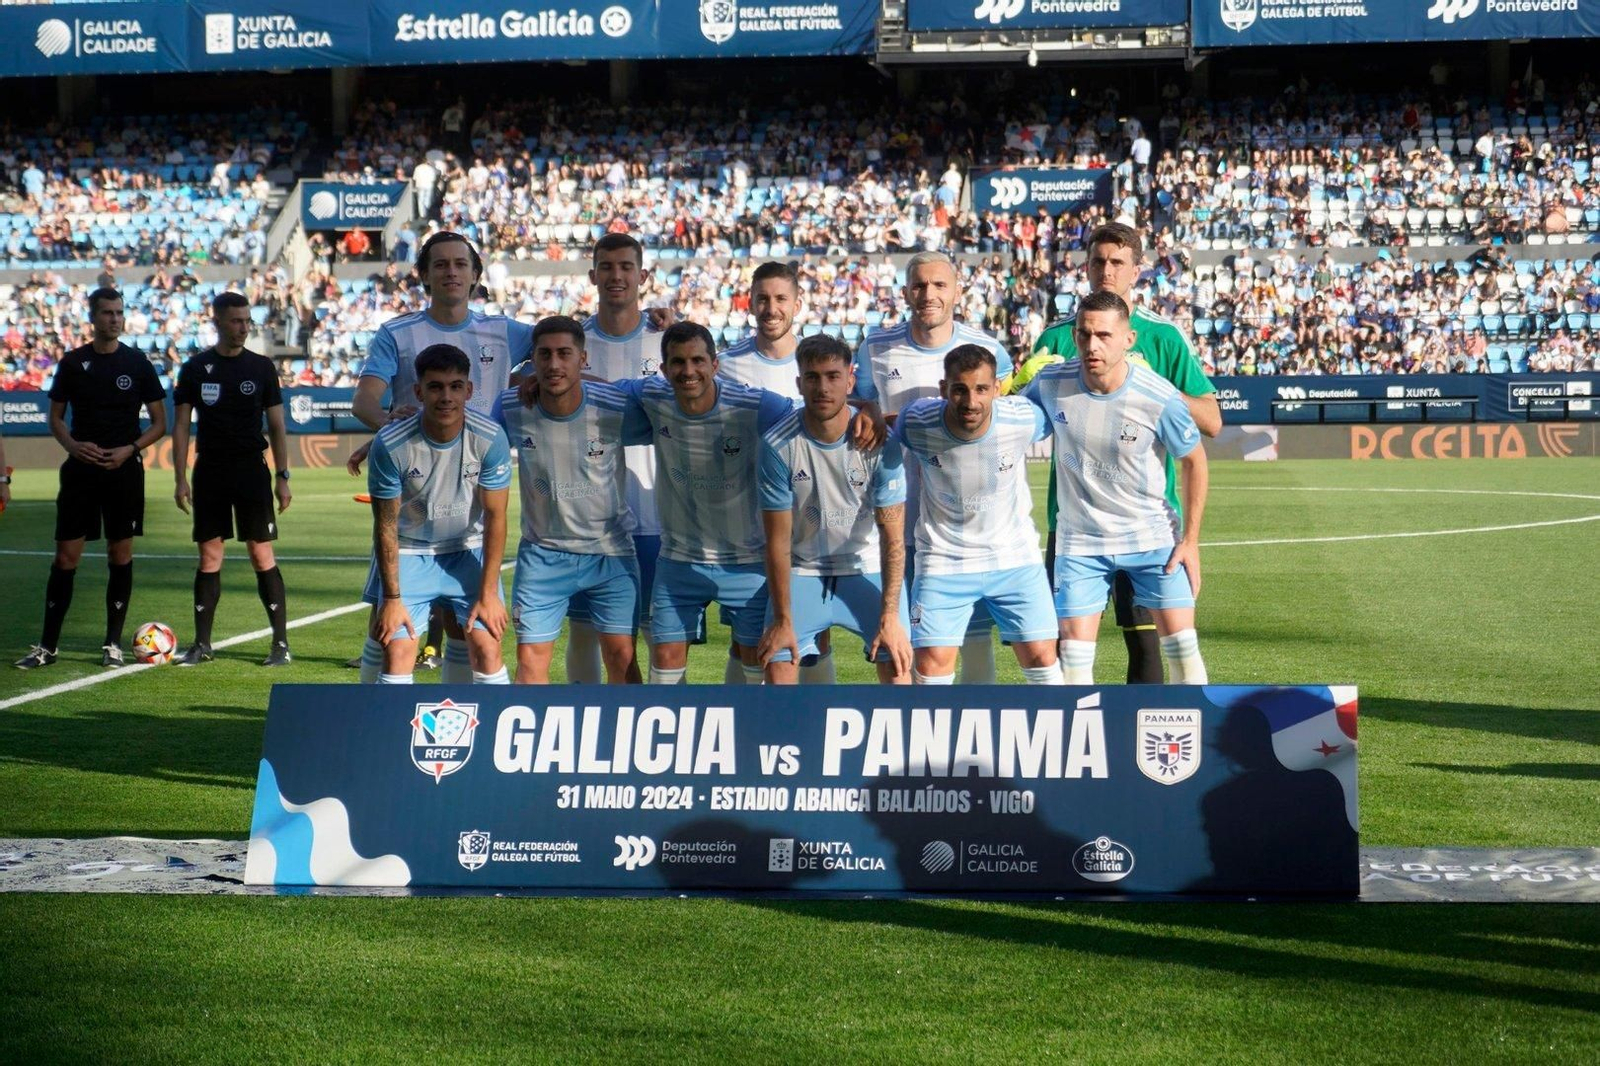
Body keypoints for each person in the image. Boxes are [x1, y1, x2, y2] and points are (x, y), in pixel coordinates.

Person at [1030, 222, 1220, 683]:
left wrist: (1148, 390)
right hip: (1073, 523)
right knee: (1069, 648)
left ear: (1137, 270)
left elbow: (1211, 422)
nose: (1106, 271)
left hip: (1148, 521)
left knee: (1147, 644)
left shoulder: (1163, 338)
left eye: (1118, 262)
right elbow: (1022, 418)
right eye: (1098, 261)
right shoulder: (1055, 340)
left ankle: (1152, 749)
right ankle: (1082, 745)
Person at [350, 231, 531, 683]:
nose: (451, 271)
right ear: (425, 275)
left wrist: (650, 321)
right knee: (387, 630)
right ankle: (369, 717)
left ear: (475, 275)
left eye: (460, 263)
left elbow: (569, 340)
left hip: (474, 491)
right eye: (441, 264)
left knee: (465, 628)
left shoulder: (504, 331)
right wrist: (392, 428)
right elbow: (365, 401)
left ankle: (462, 725)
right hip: (415, 500)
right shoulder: (398, 331)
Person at [852, 251, 1013, 683]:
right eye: (920, 286)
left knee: (975, 647)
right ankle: (913, 739)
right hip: (896, 519)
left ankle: (977, 741)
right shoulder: (875, 348)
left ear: (957, 291)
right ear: (905, 293)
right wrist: (867, 408)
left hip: (965, 524)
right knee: (903, 648)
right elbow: (859, 403)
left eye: (940, 285)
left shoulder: (989, 350)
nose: (929, 295)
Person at [612, 322, 792, 684]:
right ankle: (672, 738)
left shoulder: (754, 405)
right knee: (664, 659)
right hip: (679, 558)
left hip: (747, 561)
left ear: (715, 364)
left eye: (698, 360)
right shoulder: (652, 397)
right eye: (677, 362)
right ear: (663, 370)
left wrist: (864, 411)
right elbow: (591, 392)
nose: (688, 371)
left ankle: (749, 738)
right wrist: (534, 381)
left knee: (757, 662)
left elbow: (811, 417)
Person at [16, 288, 167, 669]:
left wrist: (130, 449)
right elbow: (55, 418)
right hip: (81, 472)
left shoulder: (137, 363)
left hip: (124, 471)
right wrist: (72, 445)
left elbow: (160, 423)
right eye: (107, 313)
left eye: (119, 312)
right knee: (66, 557)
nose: (114, 319)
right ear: (93, 317)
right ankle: (47, 646)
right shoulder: (72, 363)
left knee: (121, 554)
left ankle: (112, 645)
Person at [892, 345, 1060, 686]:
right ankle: (934, 738)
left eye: (981, 389)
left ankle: (1060, 738)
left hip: (1014, 557)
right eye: (960, 390)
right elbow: (885, 428)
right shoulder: (916, 421)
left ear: (997, 390)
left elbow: (1067, 409)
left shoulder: (1022, 417)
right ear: (943, 390)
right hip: (943, 560)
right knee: (931, 663)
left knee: (1043, 656)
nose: (971, 401)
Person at [493, 316, 648, 684]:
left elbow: (679, 411)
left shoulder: (616, 405)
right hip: (542, 554)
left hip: (610, 553)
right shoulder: (512, 407)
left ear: (583, 358)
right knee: (529, 662)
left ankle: (620, 739)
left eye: (565, 354)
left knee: (623, 658)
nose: (554, 364)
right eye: (544, 355)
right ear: (532, 360)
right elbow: (464, 434)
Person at [757, 335, 912, 685]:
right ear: (799, 383)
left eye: (832, 376)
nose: (822, 387)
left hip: (866, 567)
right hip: (803, 571)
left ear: (850, 381)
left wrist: (889, 617)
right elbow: (777, 542)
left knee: (900, 668)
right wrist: (783, 619)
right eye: (812, 377)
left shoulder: (879, 442)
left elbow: (892, 539)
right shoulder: (776, 445)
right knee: (777, 670)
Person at [363, 343, 512, 685]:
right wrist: (392, 599)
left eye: (455, 386)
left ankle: (486, 734)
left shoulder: (489, 438)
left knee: (487, 646)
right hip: (409, 550)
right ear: (419, 391)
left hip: (467, 547)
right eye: (435, 387)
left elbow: (495, 518)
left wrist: (489, 595)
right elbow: (385, 526)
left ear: (468, 390)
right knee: (397, 650)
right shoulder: (391, 443)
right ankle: (383, 734)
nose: (446, 396)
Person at [171, 292, 293, 667]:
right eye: (236, 321)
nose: (243, 327)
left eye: (246, 321)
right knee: (210, 556)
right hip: (209, 471)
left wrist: (283, 476)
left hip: (251, 471)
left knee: (261, 553)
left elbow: (276, 425)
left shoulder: (260, 368)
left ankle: (280, 645)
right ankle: (202, 644)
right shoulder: (195, 369)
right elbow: (180, 428)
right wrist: (180, 477)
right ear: (218, 322)